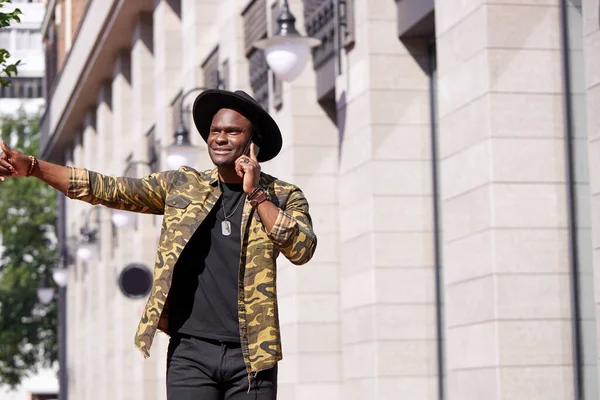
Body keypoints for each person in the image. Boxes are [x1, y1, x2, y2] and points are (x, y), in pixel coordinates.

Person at [0, 89, 317, 399]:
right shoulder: (184, 186)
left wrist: (255, 194)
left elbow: (301, 249)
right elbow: (108, 188)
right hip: (190, 352)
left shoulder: (283, 195)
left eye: (232, 131)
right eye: (214, 131)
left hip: (252, 357)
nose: (220, 138)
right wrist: (33, 167)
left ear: (253, 141)